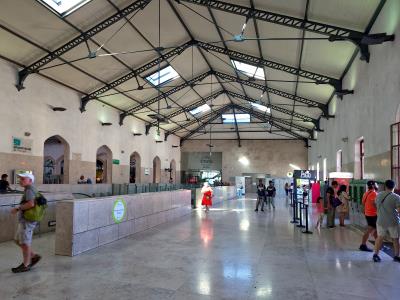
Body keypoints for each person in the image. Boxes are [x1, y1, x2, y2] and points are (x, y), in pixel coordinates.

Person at [10, 173, 41, 273]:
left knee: (25, 242)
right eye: (20, 178)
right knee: (18, 240)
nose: (20, 180)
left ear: (30, 180)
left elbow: (31, 204)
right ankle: (33, 256)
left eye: (23, 179)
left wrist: (18, 208)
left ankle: (26, 264)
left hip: (27, 221)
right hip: (25, 220)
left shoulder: (29, 189)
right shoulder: (29, 188)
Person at [372, 180, 400, 263]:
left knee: (379, 238)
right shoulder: (396, 197)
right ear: (394, 187)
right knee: (395, 239)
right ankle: (396, 256)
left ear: (385, 186)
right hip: (393, 222)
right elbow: (399, 210)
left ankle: (376, 255)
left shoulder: (378, 195)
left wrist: (380, 211)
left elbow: (374, 204)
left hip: (381, 221)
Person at [359, 180, 378, 252]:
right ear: (373, 185)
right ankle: (363, 245)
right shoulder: (374, 193)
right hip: (373, 214)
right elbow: (374, 204)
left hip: (368, 214)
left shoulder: (365, 193)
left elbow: (363, 203)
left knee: (375, 230)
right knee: (370, 229)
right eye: (376, 184)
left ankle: (378, 244)